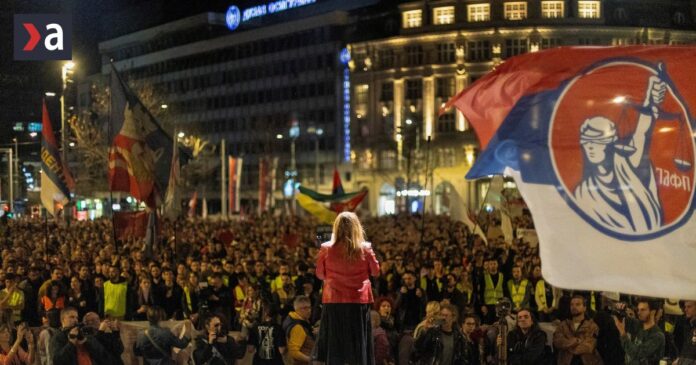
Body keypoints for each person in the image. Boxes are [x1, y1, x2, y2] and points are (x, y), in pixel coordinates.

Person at [573, 75, 665, 233]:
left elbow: (641, 133)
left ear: (611, 143)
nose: (590, 147)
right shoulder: (583, 194)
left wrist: (650, 101)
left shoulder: (628, 164)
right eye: (586, 142)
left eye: (597, 141)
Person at [314, 212, 380, 365]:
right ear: (357, 227)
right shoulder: (366, 248)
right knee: (357, 345)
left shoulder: (326, 248)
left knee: (335, 346)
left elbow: (319, 274)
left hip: (334, 301)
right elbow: (376, 271)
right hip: (358, 302)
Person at [553, 295, 603, 365]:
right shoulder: (563, 325)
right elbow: (557, 342)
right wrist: (576, 341)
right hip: (566, 362)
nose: (574, 307)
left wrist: (567, 344)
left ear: (584, 308)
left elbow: (588, 347)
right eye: (572, 305)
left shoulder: (592, 326)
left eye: (578, 304)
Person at [614, 299, 665, 365]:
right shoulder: (637, 324)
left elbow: (637, 353)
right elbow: (620, 318)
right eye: (638, 309)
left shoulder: (657, 335)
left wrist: (623, 334)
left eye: (643, 310)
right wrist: (620, 308)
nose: (639, 313)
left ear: (653, 312)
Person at [282, 296, 315, 365]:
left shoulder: (292, 318)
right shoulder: (298, 327)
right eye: (305, 308)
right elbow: (294, 352)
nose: (309, 310)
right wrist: (311, 360)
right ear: (297, 309)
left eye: (309, 307)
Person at [674, 300, 696, 364]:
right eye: (685, 307)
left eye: (689, 307)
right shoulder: (687, 324)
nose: (685, 309)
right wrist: (680, 359)